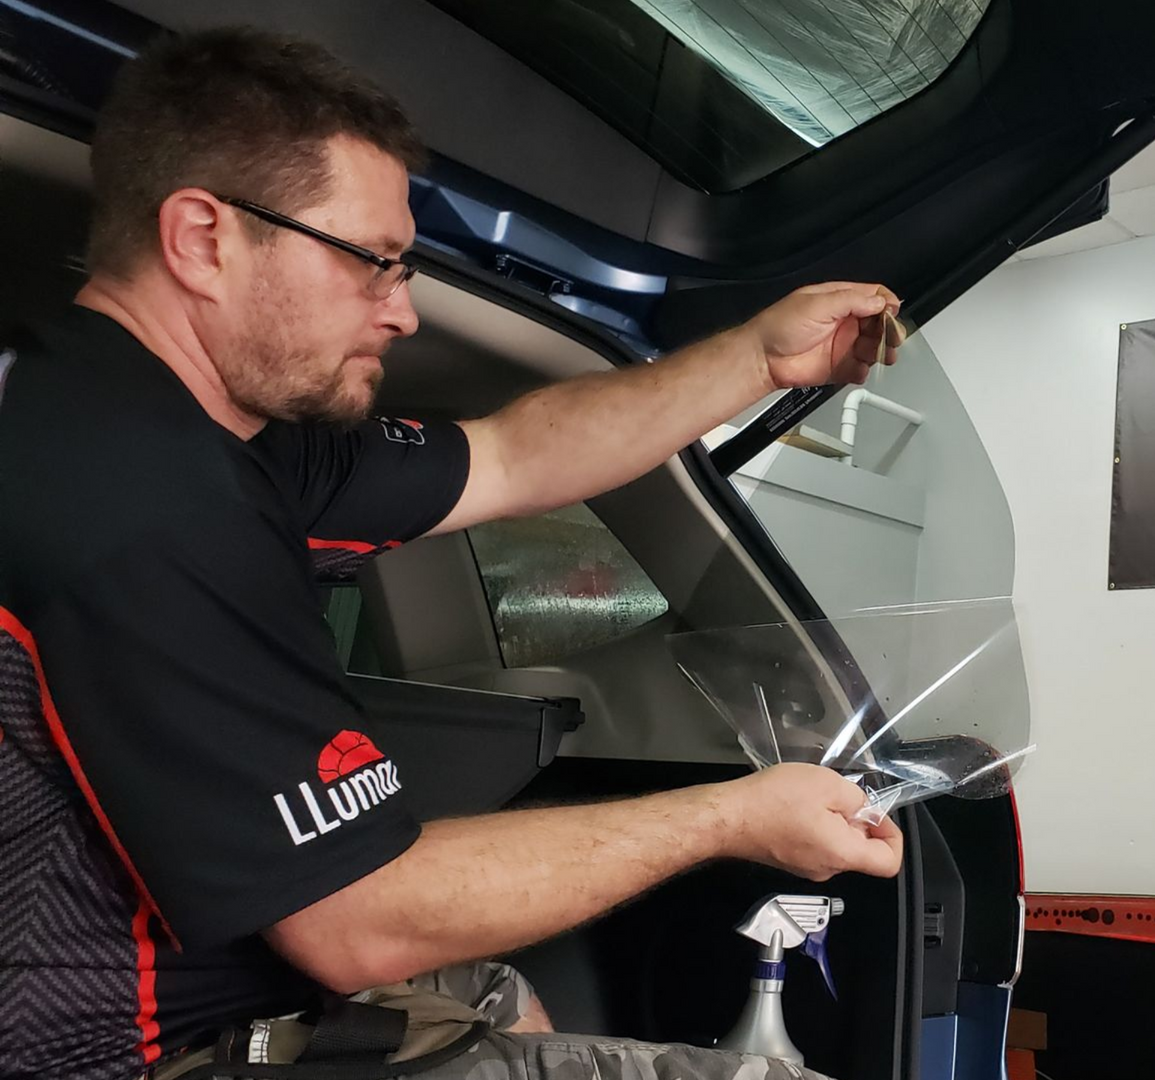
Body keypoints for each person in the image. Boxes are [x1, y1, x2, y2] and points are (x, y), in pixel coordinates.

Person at [0, 26, 905, 1080]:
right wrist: (732, 816)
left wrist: (758, 357)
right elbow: (358, 922)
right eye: (370, 261)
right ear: (203, 238)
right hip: (132, 1054)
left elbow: (513, 455)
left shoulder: (208, 431)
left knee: (494, 992)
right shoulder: (128, 495)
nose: (403, 308)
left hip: (253, 987)